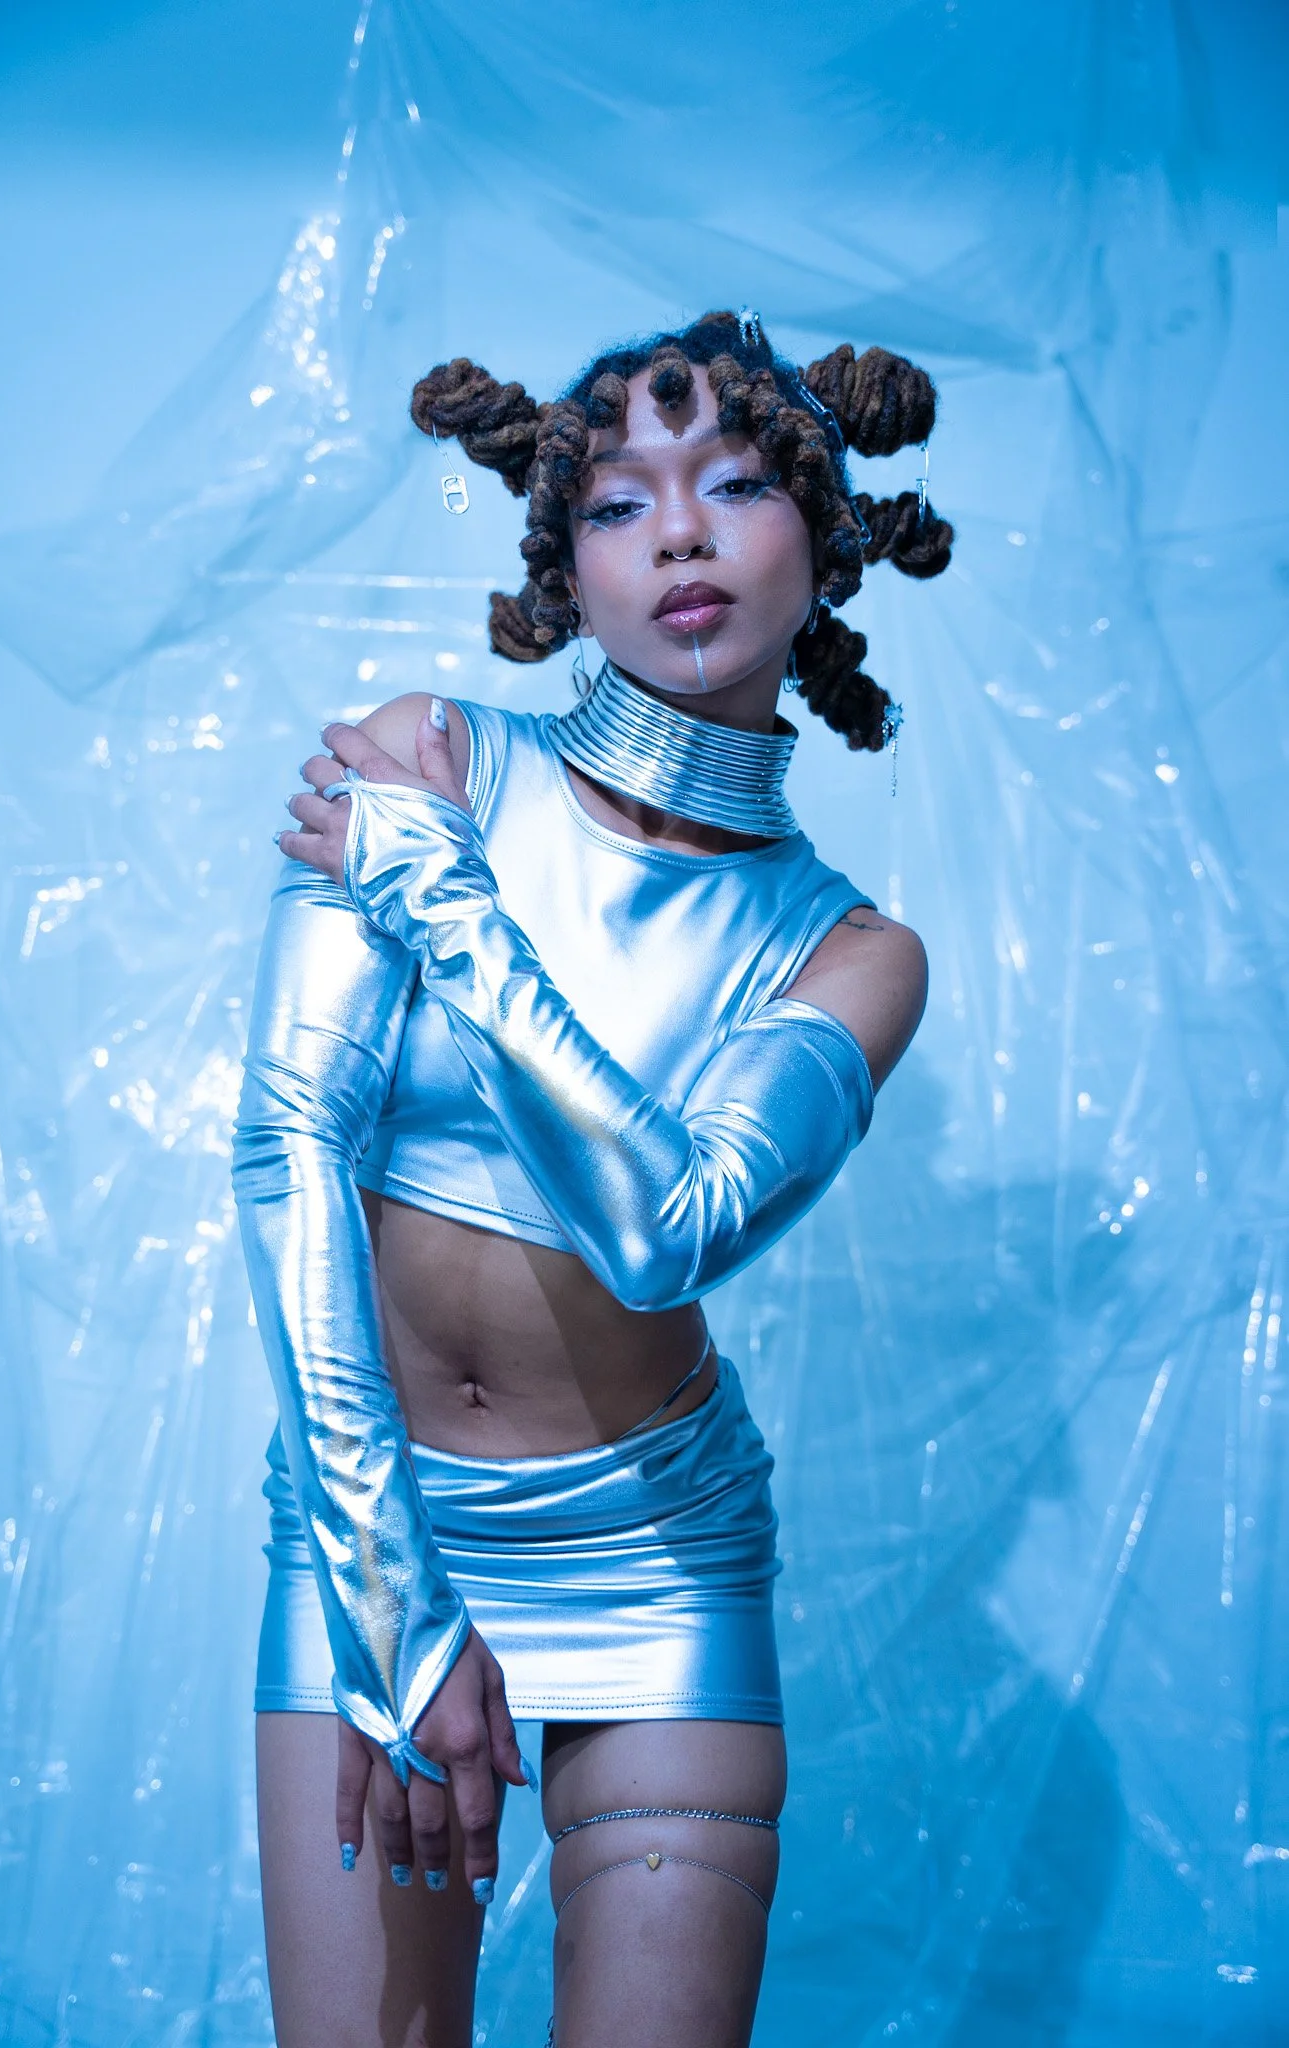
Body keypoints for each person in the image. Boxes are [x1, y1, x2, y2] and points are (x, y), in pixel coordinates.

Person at [232, 309, 950, 2048]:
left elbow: (660, 1234)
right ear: (568, 568)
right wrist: (387, 1596)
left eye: (736, 486)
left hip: (658, 1556)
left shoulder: (854, 954)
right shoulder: (430, 759)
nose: (680, 533)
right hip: (368, 1520)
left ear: (825, 540)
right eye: (622, 504)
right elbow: (286, 1147)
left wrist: (447, 904)